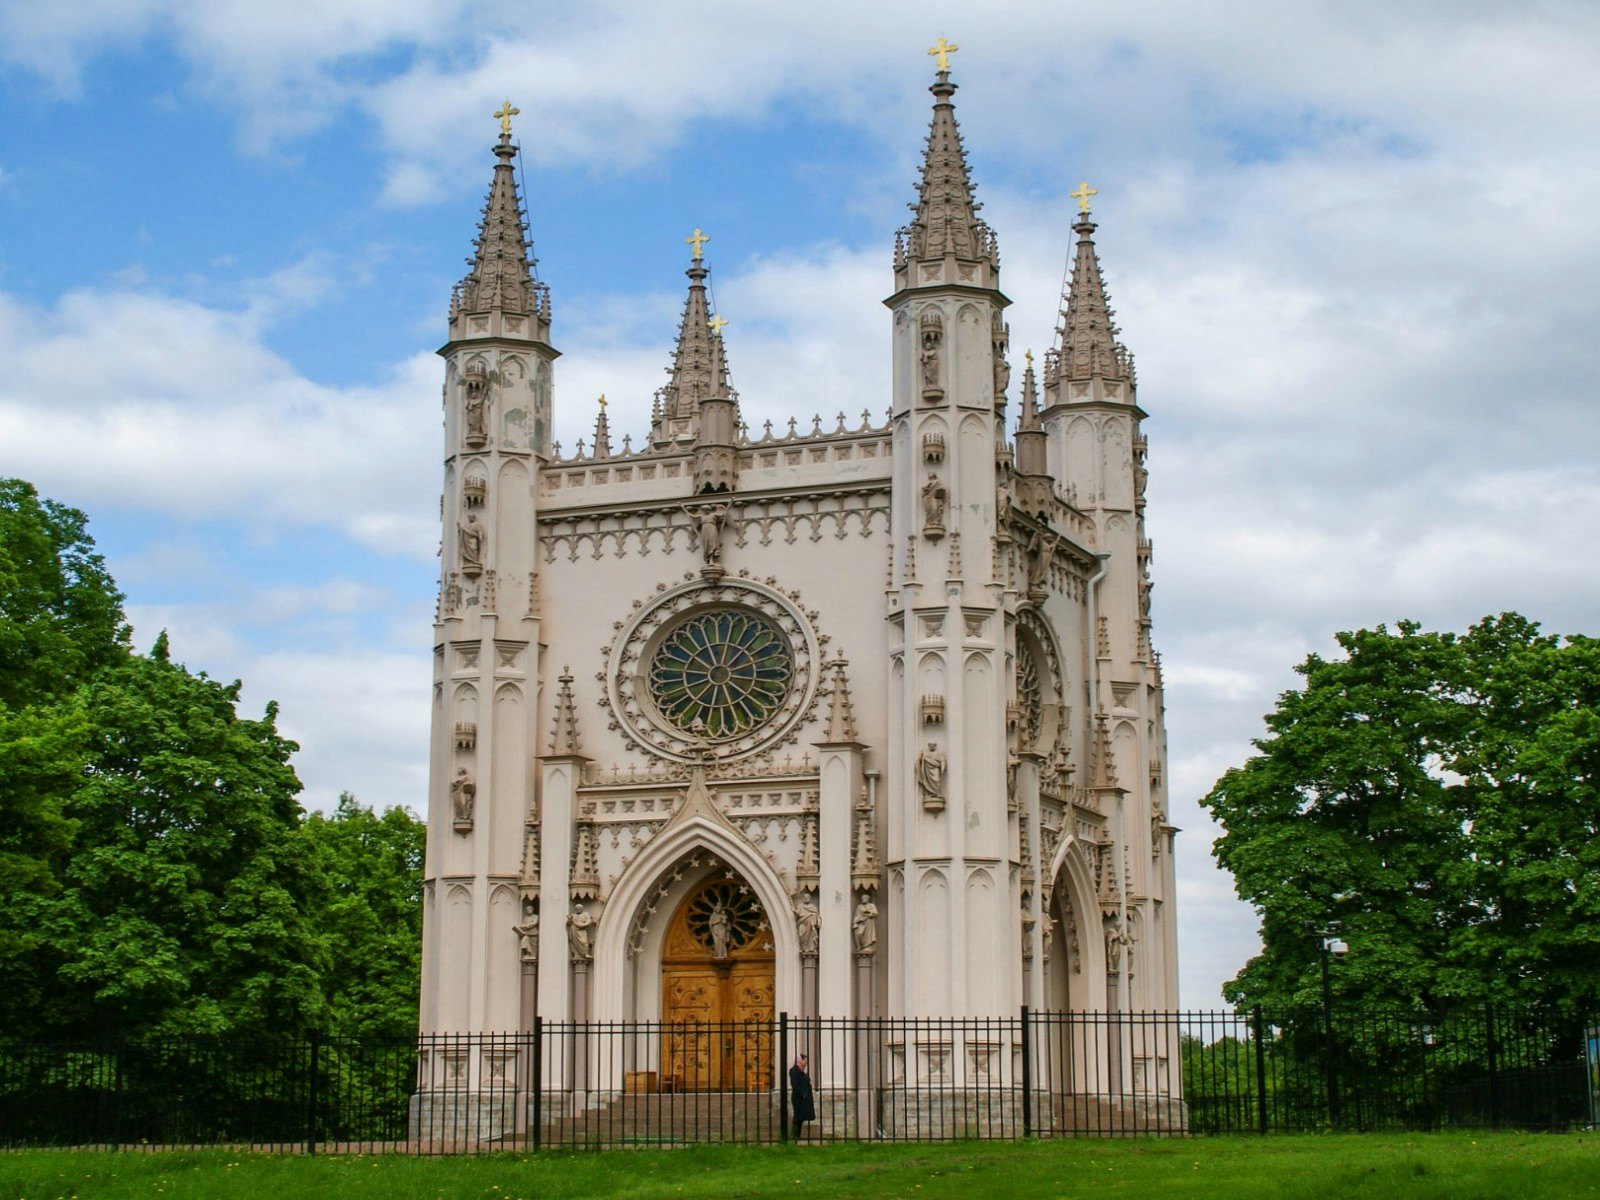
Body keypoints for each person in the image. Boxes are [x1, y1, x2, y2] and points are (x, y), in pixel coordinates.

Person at [788, 1052, 815, 1141]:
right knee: (797, 1116)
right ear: (800, 1060)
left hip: (804, 1098)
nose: (806, 1062)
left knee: (801, 1117)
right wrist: (802, 1093)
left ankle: (797, 1135)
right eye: (805, 1060)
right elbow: (795, 1084)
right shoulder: (794, 1070)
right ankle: (794, 1135)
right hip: (798, 1098)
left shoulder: (802, 1071)